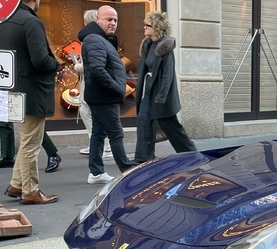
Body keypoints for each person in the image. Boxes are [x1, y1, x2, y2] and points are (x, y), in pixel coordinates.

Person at [0, 0, 60, 204]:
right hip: (32, 89)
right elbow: (41, 60)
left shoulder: (6, 20)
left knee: (27, 139)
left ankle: (17, 184)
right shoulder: (30, 21)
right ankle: (31, 190)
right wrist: (56, 64)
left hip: (12, 86)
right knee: (31, 142)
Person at [133, 12, 198, 164]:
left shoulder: (165, 47)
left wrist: (161, 96)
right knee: (143, 123)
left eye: (147, 25)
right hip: (147, 92)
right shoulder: (149, 44)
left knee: (171, 126)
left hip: (160, 94)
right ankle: (142, 160)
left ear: (156, 27)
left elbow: (168, 74)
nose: (144, 27)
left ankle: (191, 154)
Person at [79, 5, 133, 184]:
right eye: (109, 19)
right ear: (98, 20)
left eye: (115, 20)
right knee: (116, 133)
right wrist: (117, 87)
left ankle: (96, 172)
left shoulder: (98, 38)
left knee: (98, 133)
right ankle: (126, 171)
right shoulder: (94, 39)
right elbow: (97, 69)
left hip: (101, 95)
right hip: (104, 96)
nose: (113, 23)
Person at [74, 9, 112, 160]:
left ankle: (102, 146)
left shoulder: (90, 38)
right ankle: (97, 144)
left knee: (92, 113)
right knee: (89, 112)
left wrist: (77, 65)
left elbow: (94, 65)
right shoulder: (96, 37)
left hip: (92, 84)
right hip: (91, 83)